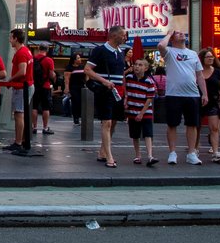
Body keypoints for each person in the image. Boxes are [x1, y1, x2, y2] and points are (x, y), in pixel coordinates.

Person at [156, 30, 206, 166]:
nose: (181, 34)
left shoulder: (193, 54)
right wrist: (169, 33)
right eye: (177, 34)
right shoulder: (170, 52)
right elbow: (160, 45)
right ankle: (172, 152)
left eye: (182, 33)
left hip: (192, 94)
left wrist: (204, 93)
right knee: (172, 124)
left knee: (192, 124)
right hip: (174, 94)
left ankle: (191, 153)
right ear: (172, 39)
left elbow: (200, 75)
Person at [85, 26, 128, 166]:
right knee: (107, 122)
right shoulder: (100, 50)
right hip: (105, 90)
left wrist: (125, 92)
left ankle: (103, 151)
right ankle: (109, 156)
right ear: (114, 35)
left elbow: (121, 74)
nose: (124, 38)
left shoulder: (121, 52)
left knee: (114, 121)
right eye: (122, 35)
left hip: (117, 91)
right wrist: (104, 81)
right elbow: (87, 70)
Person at [123, 58, 159, 166]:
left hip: (145, 111)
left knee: (148, 133)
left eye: (140, 65)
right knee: (135, 134)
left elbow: (149, 99)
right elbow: (124, 85)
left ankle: (150, 156)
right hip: (132, 110)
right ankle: (137, 156)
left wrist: (142, 113)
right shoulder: (129, 78)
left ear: (146, 68)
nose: (137, 67)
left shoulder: (149, 81)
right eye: (135, 64)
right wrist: (126, 98)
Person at [199, 48, 220, 163]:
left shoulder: (217, 71)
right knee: (196, 127)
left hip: (213, 102)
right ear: (202, 59)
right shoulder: (197, 71)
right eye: (208, 57)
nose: (211, 58)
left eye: (212, 56)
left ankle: (216, 151)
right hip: (199, 102)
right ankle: (195, 149)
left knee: (214, 128)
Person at [6, 28, 33, 151]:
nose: (9, 40)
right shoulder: (25, 51)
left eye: (11, 37)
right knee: (20, 113)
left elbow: (22, 71)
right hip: (24, 86)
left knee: (19, 114)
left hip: (22, 87)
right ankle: (21, 140)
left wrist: (10, 80)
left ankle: (18, 142)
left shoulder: (21, 53)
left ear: (16, 38)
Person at [31, 43, 56, 134]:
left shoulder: (33, 59)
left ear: (38, 48)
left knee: (34, 107)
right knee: (46, 107)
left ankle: (34, 127)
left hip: (34, 86)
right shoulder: (49, 60)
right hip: (45, 86)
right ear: (47, 50)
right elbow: (51, 74)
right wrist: (54, 76)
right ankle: (45, 128)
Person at [65, 51, 87, 126]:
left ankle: (81, 116)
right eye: (78, 58)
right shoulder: (69, 67)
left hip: (82, 87)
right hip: (73, 87)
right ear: (74, 60)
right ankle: (76, 118)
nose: (80, 59)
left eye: (79, 57)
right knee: (75, 102)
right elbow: (67, 79)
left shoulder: (82, 66)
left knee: (82, 102)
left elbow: (86, 76)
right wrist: (67, 88)